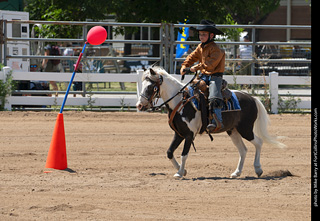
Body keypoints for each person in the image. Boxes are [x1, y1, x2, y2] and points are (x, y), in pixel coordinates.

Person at [180, 19, 225, 132]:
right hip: (203, 76)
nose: (201, 36)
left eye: (204, 34)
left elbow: (210, 65)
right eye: (200, 34)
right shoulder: (200, 47)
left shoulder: (216, 49)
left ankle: (217, 121)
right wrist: (184, 65)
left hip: (215, 76)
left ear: (211, 35)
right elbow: (191, 57)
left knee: (214, 96)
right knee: (188, 91)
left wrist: (196, 67)